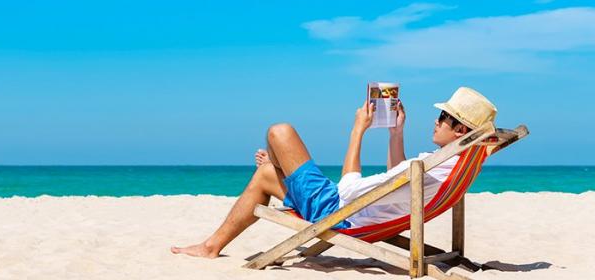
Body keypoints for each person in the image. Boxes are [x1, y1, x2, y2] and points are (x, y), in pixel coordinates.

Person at [171, 87, 497, 259]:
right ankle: (212, 245)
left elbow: (349, 188)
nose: (436, 120)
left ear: (459, 130)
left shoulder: (436, 166)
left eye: (443, 117)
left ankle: (271, 169)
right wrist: (396, 134)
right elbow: (400, 182)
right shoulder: (448, 164)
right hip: (350, 209)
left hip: (338, 212)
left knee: (280, 132)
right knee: (266, 175)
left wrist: (357, 130)